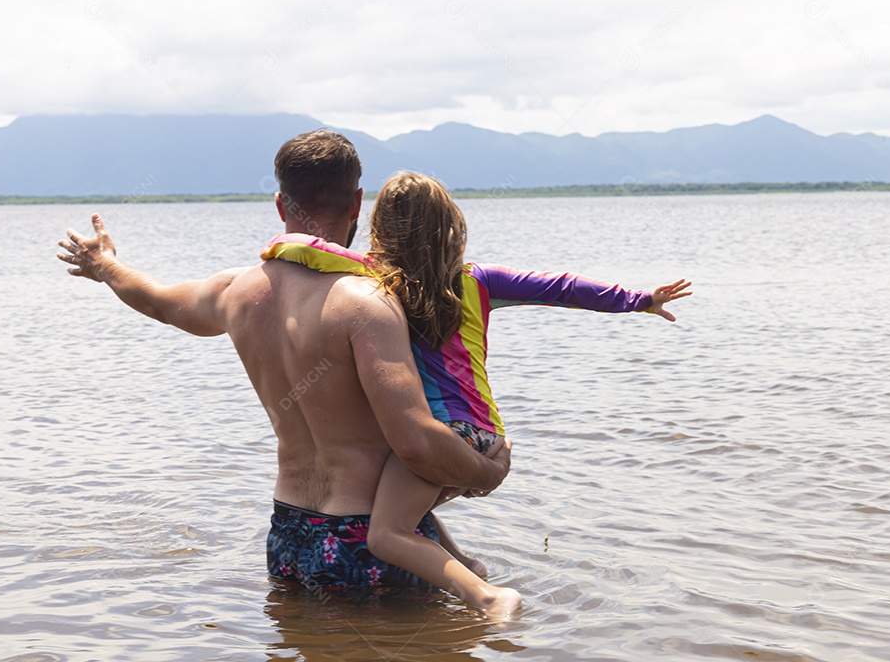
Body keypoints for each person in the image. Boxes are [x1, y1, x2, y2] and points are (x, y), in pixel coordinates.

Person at [56, 131, 512, 596]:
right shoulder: (367, 303)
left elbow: (159, 301)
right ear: (358, 203)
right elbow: (415, 443)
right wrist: (486, 472)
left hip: (288, 533)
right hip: (366, 540)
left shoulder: (235, 292)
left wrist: (106, 265)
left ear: (280, 204)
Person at [260, 171, 692, 616]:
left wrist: (278, 245)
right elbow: (560, 287)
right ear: (450, 225)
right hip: (486, 435)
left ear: (381, 228)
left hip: (444, 440)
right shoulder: (480, 281)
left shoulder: (376, 278)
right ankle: (468, 565)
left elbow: (315, 250)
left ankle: (489, 600)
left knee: (386, 534)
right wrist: (639, 299)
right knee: (390, 503)